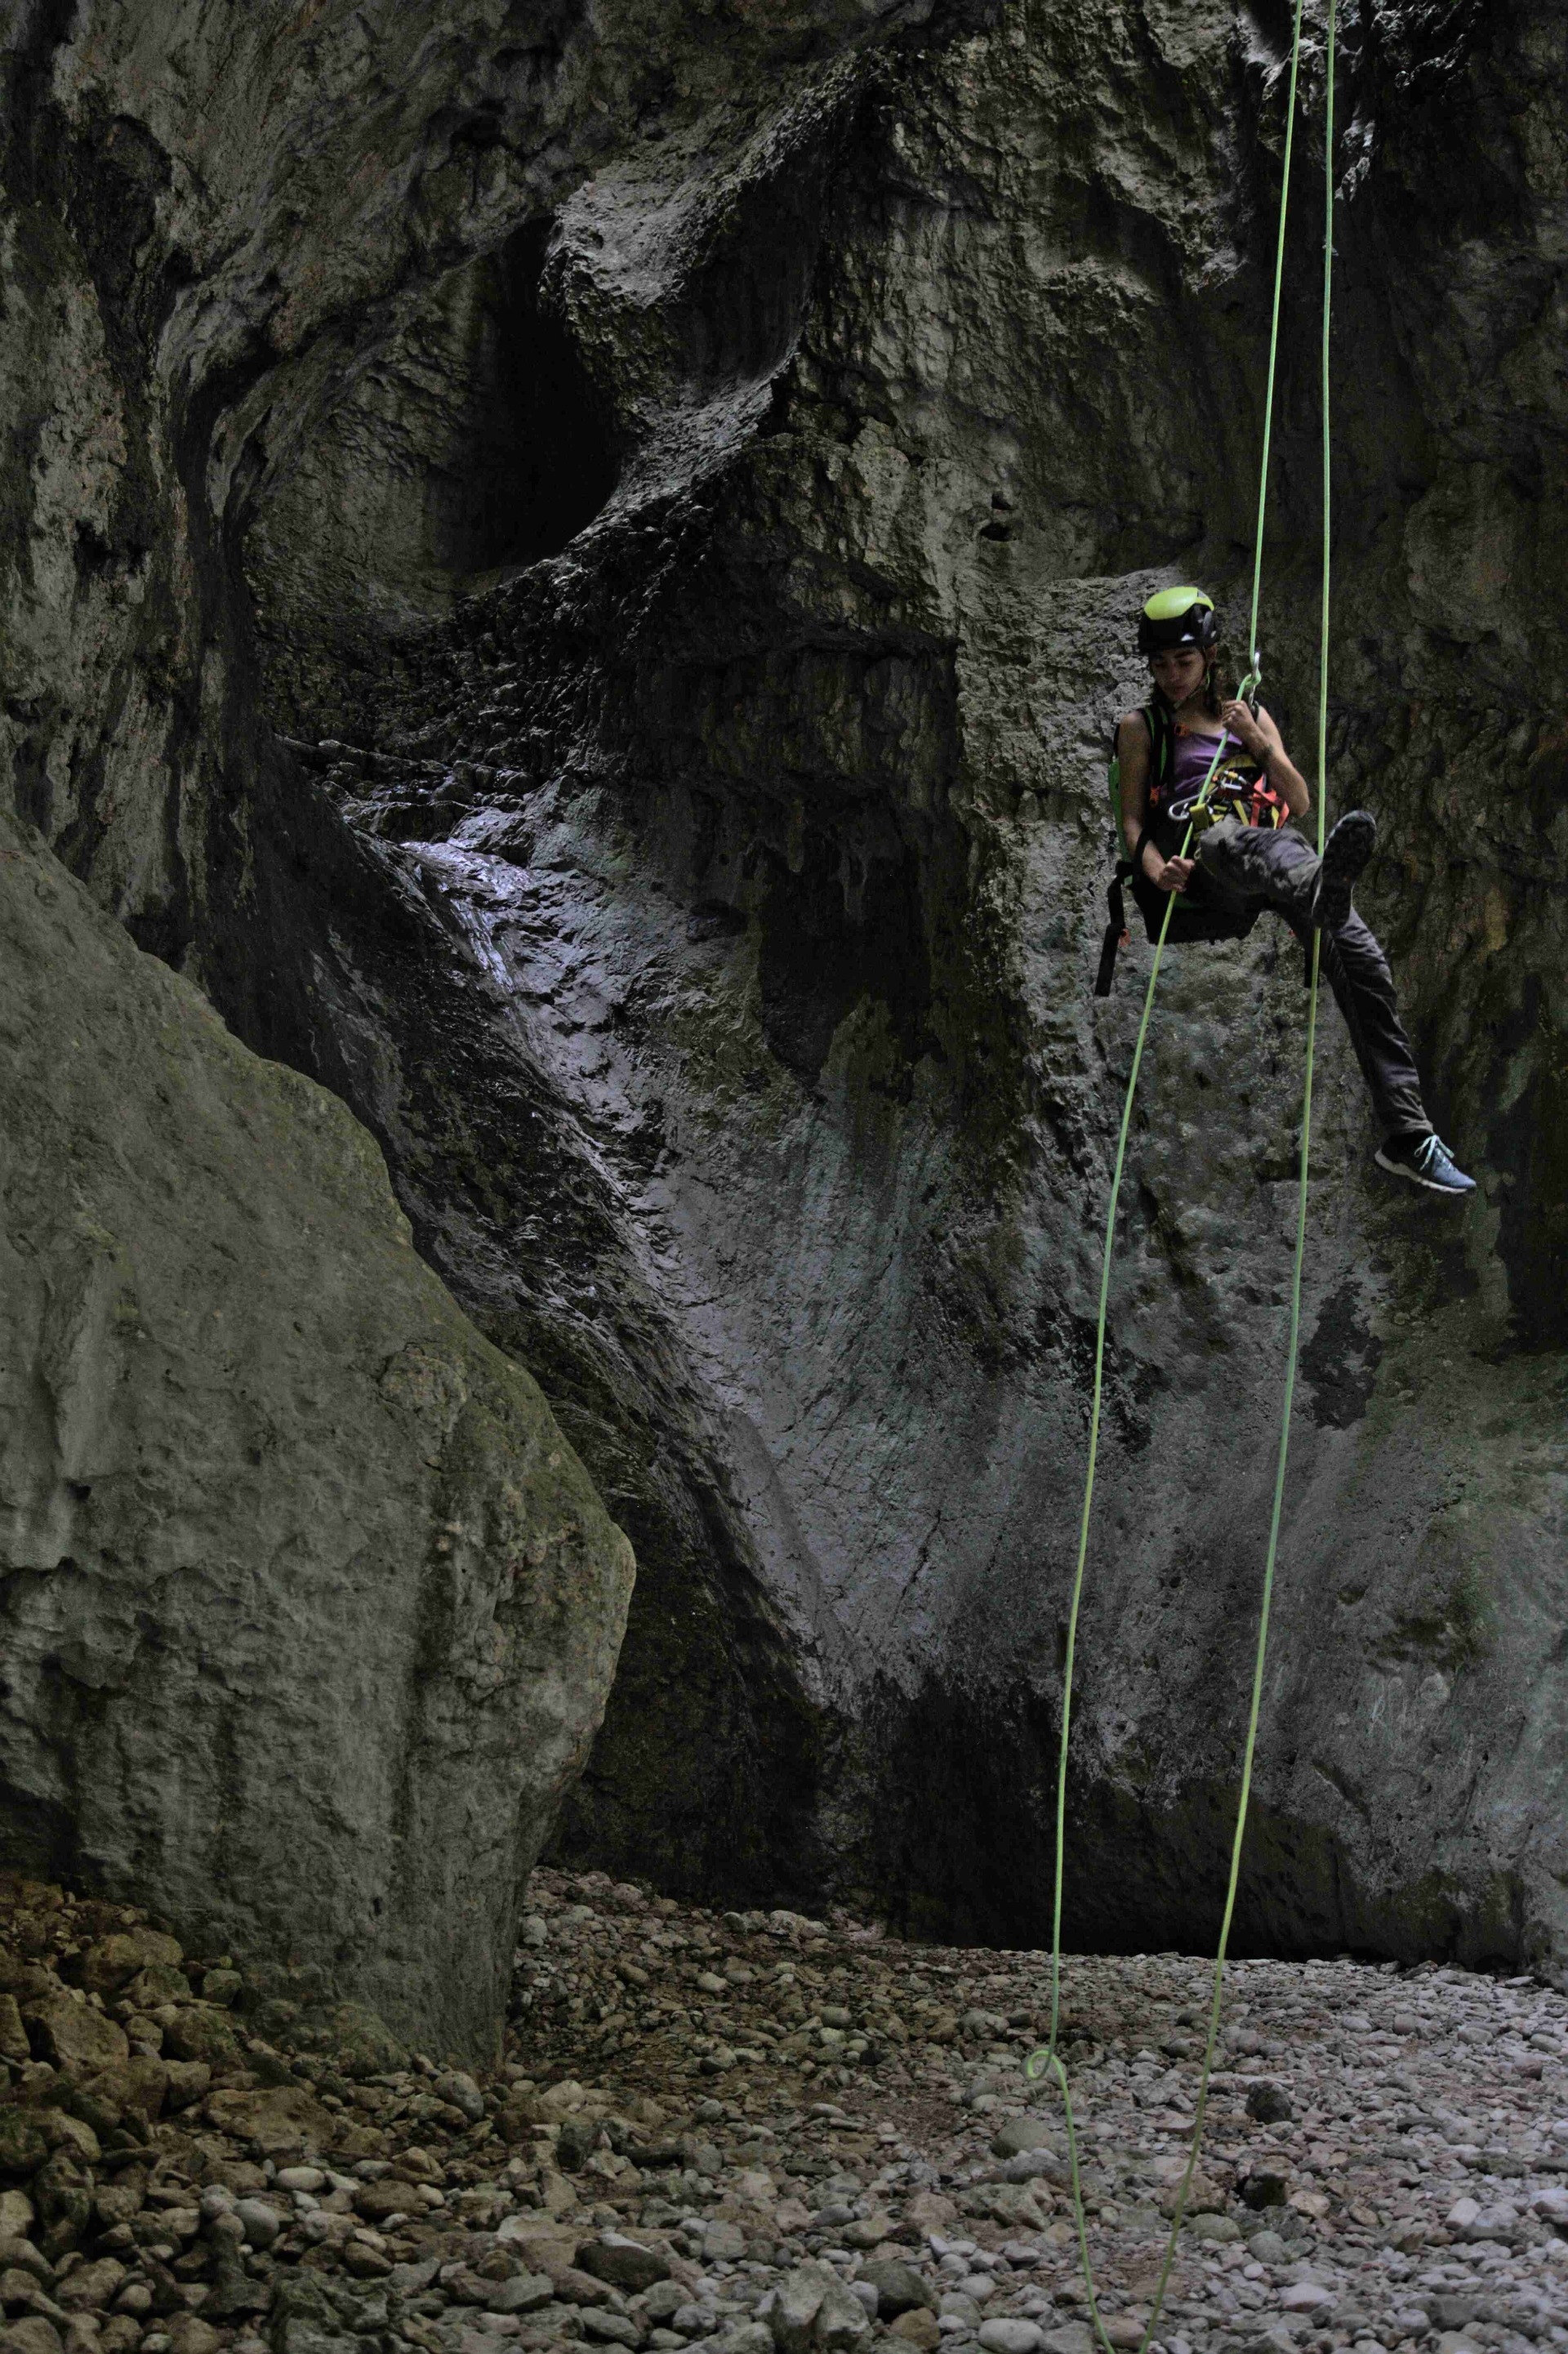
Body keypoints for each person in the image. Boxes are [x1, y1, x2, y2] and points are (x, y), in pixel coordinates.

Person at [1115, 587, 1474, 1197]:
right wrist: (1155, 872)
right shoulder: (1142, 726)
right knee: (1237, 840)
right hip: (1201, 881)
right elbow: (1130, 823)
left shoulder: (1249, 715)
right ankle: (1317, 888)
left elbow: (1298, 800)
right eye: (1160, 665)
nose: (1172, 676)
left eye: (1184, 662)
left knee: (1361, 960)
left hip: (1273, 875)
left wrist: (1256, 741)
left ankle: (1408, 1138)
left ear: (1209, 655)